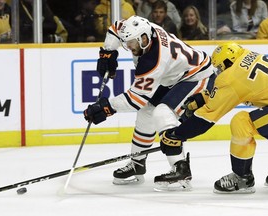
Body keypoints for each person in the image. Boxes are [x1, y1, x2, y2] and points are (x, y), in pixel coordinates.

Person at [83, 15, 216, 191]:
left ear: (143, 39)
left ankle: (180, 168)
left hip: (199, 77)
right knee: (146, 111)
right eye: (127, 42)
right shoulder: (143, 29)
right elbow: (116, 29)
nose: (128, 47)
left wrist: (106, 107)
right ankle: (137, 163)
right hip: (175, 76)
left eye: (131, 43)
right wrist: (108, 52)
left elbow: (135, 100)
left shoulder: (153, 60)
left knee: (162, 113)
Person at [159, 41, 268, 193]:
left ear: (227, 63)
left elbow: (206, 118)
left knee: (242, 122)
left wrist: (176, 135)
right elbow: (239, 90)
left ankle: (242, 177)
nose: (219, 72)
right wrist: (204, 97)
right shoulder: (249, 56)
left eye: (219, 68)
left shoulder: (231, 77)